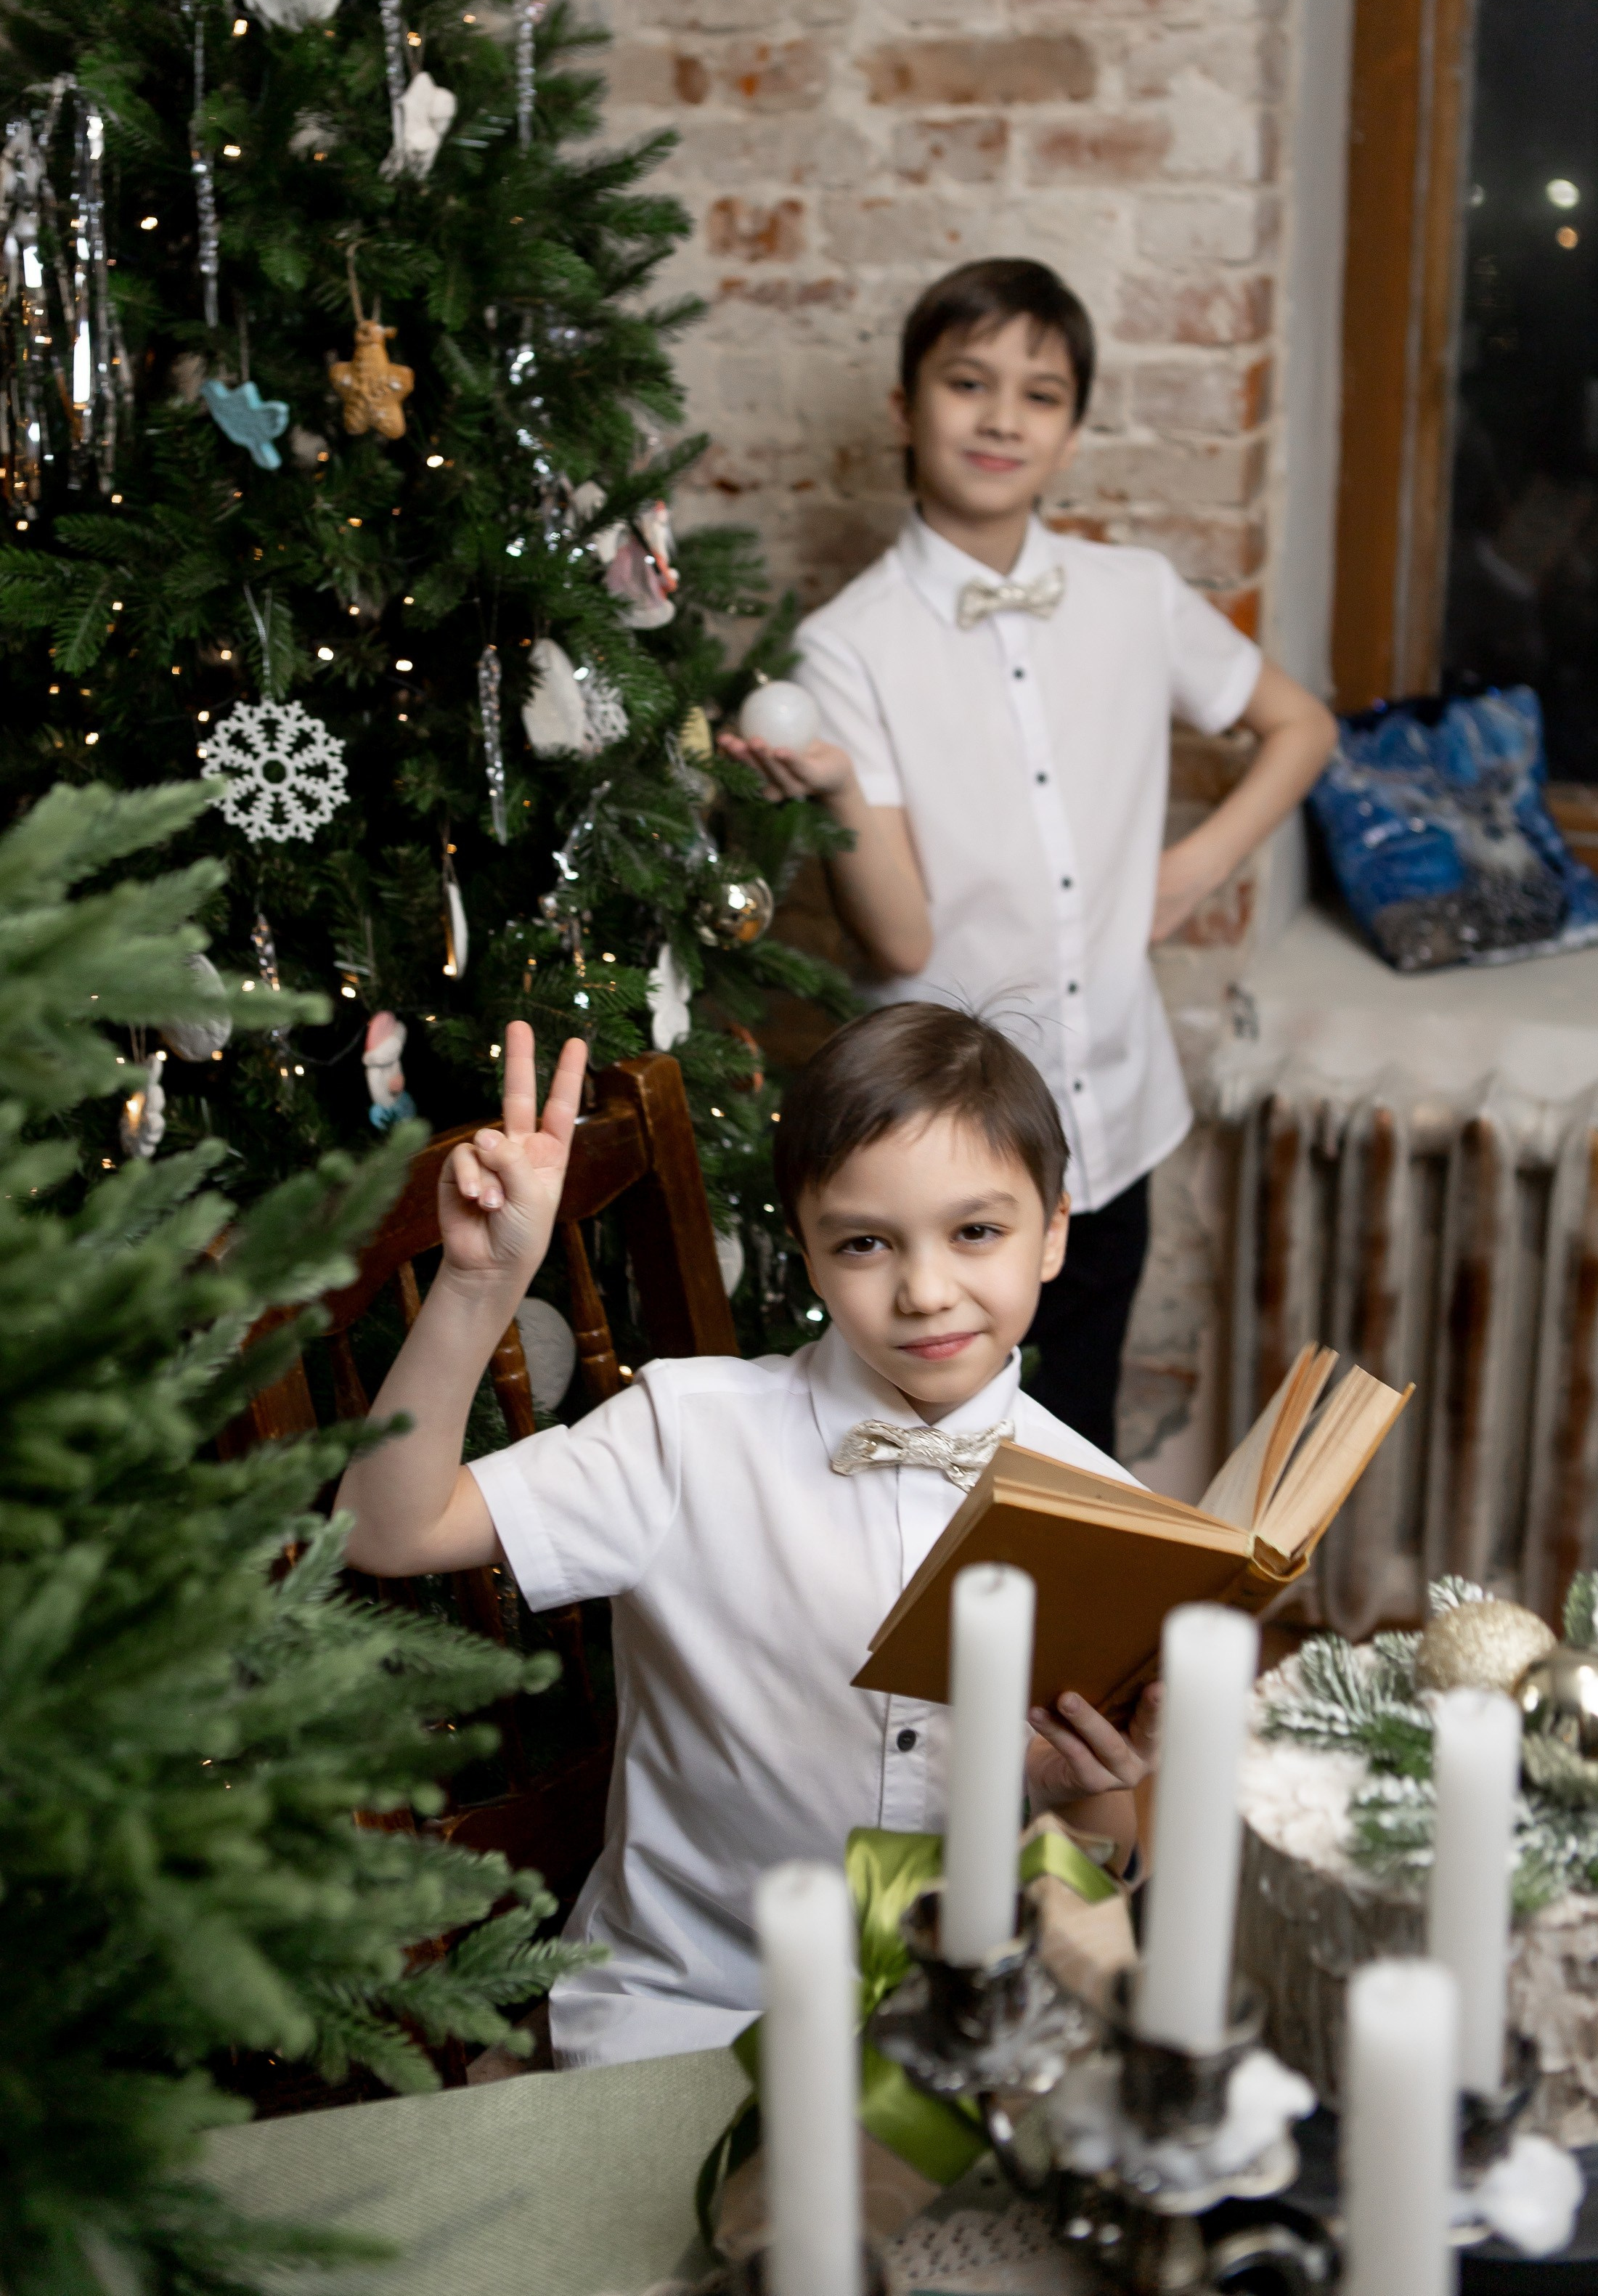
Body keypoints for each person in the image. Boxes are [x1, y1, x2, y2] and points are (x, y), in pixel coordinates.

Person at [335, 1003, 1156, 2071]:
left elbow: (1105, 1866)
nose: (924, 1290)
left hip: (950, 2040)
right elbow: (386, 1532)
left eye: (975, 1232)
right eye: (865, 1243)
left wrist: (1072, 1789)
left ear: (1051, 1233)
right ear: (807, 1253)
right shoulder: (689, 1432)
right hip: (680, 2014)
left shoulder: (1104, 1514)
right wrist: (481, 1285)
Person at [722, 257, 1337, 1453]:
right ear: (907, 411)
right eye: (967, 382)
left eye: (1040, 394)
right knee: (936, 1459)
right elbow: (900, 940)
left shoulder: (1133, 594)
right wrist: (838, 786)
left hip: (1111, 1115)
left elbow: (1299, 725)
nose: (1001, 417)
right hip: (939, 1174)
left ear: (1069, 433)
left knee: (1080, 1439)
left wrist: (1191, 868)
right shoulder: (843, 649)